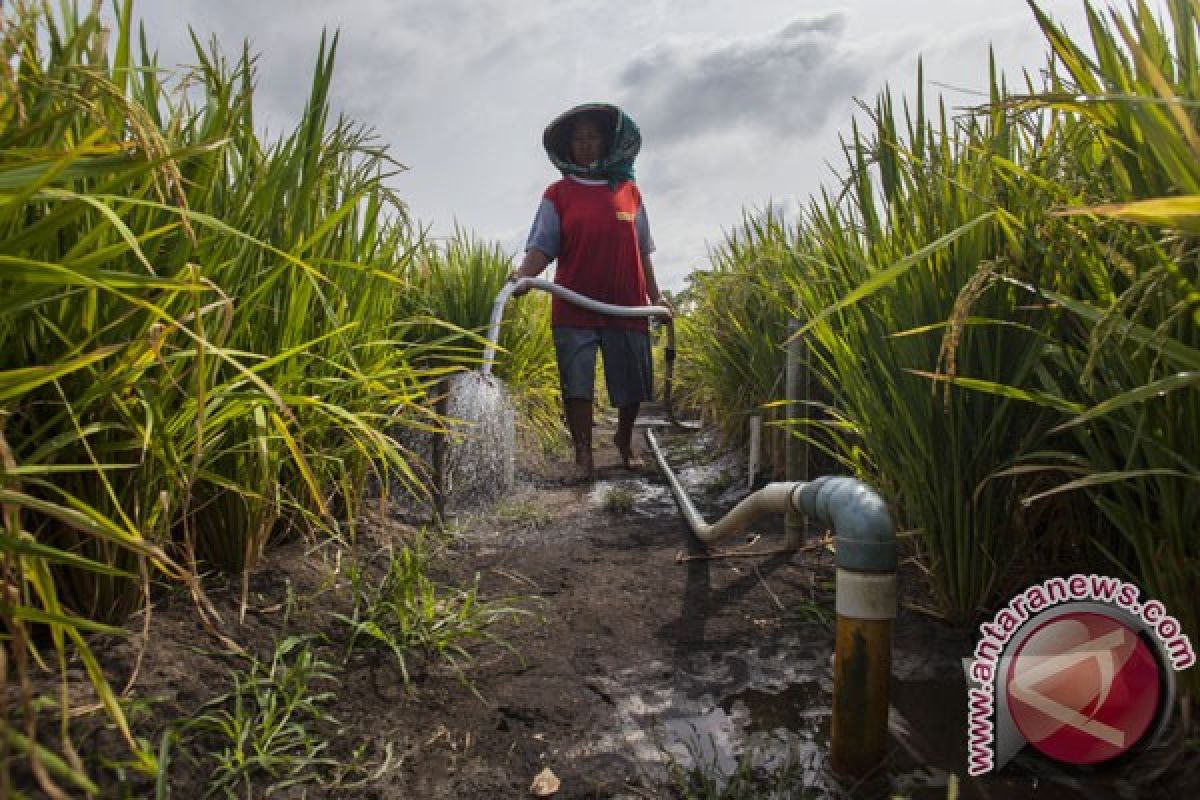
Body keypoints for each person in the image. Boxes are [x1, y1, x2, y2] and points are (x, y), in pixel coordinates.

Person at [509, 103, 672, 484]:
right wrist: (522, 276)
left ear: (606, 141)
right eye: (577, 139)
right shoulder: (559, 193)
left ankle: (623, 439)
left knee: (632, 381)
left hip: (626, 303)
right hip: (574, 303)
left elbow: (643, 250)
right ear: (568, 146)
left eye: (592, 137)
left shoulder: (629, 192)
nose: (585, 144)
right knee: (577, 382)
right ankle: (583, 452)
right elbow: (541, 247)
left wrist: (656, 298)